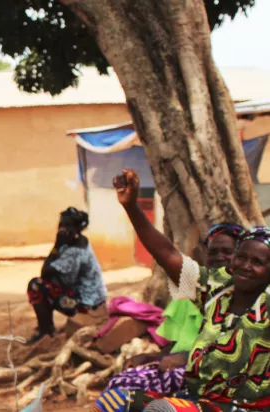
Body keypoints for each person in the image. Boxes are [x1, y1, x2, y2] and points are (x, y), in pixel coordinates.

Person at [94, 169, 270, 412]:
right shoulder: (219, 288)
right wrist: (132, 207)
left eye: (258, 262)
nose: (246, 266)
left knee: (163, 410)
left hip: (241, 406)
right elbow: (168, 255)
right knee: (113, 401)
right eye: (241, 257)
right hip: (195, 395)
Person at [104, 223, 244, 398]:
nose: (219, 257)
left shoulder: (247, 299)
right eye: (213, 252)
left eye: (227, 251)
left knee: (131, 391)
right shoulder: (192, 295)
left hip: (215, 377)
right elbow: (173, 350)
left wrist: (186, 358)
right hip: (181, 368)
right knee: (120, 385)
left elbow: (233, 354)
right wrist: (148, 358)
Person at [26, 207, 107, 344]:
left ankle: (45, 331)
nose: (62, 229)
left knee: (36, 286)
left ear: (77, 228)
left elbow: (46, 274)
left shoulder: (75, 251)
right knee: (47, 286)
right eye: (61, 225)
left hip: (86, 306)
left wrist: (56, 246)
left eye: (67, 225)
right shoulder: (78, 241)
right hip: (91, 299)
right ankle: (47, 328)